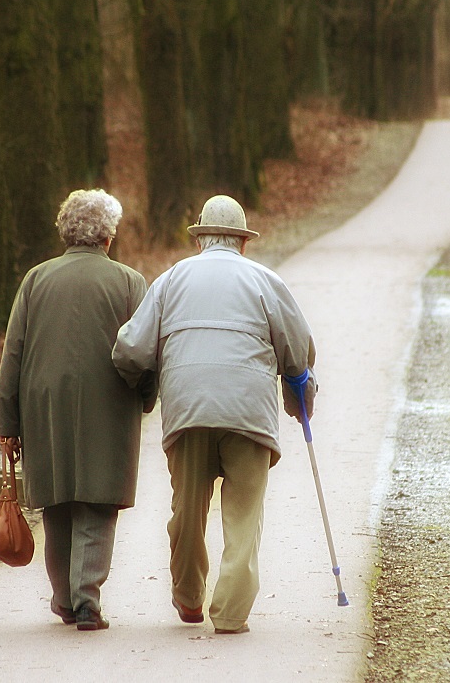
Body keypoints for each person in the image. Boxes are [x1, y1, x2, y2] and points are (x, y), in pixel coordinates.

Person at [112, 194, 316, 634]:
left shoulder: (170, 280)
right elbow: (297, 351)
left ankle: (188, 598)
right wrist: (300, 392)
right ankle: (230, 613)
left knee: (187, 509)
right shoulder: (265, 281)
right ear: (243, 242)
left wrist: (139, 383)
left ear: (201, 238)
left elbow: (131, 348)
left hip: (188, 410)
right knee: (243, 517)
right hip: (249, 414)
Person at [0, 189, 155, 631]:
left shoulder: (36, 280)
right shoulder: (128, 282)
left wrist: (6, 422)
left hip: (44, 406)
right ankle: (87, 600)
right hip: (109, 402)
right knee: (97, 503)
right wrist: (146, 395)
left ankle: (64, 598)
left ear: (66, 232)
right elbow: (142, 352)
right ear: (108, 237)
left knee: (58, 501)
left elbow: (14, 354)